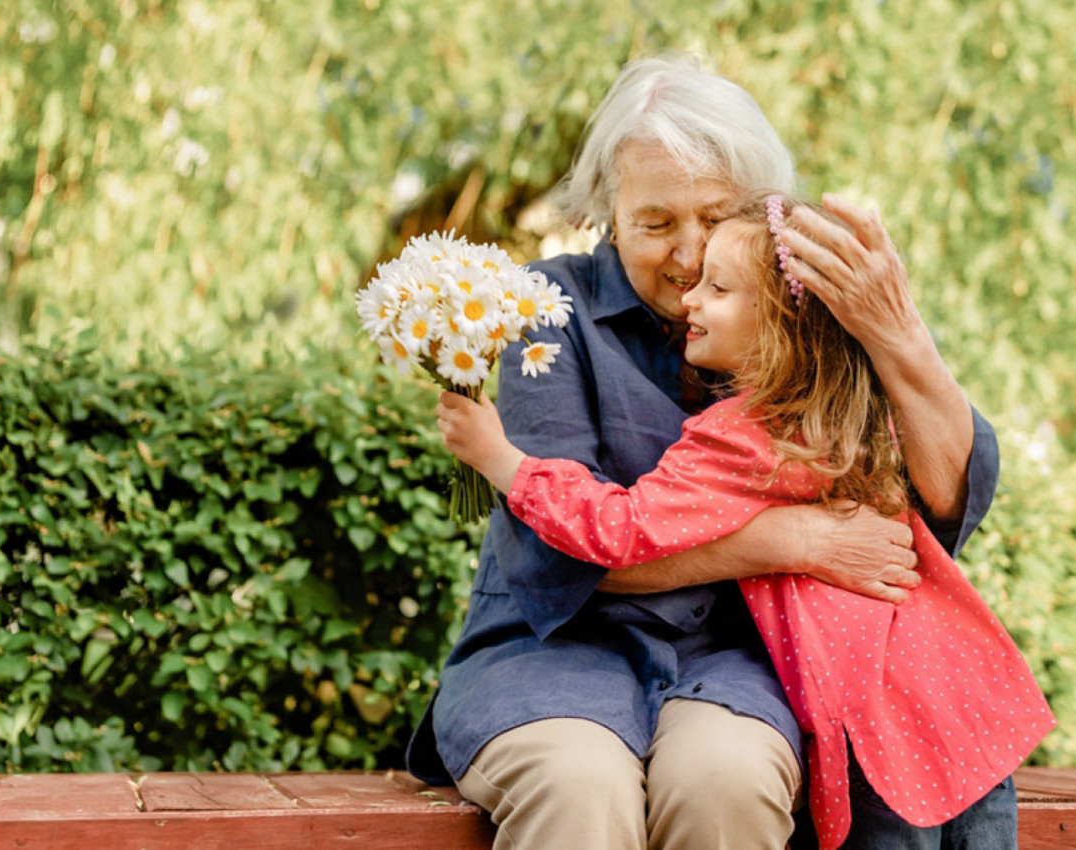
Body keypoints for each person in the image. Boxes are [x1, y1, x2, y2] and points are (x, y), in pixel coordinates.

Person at [405, 53, 1002, 850]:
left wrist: (898, 337)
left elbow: (938, 495)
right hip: (553, 653)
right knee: (578, 786)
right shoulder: (545, 310)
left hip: (737, 659)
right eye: (655, 224)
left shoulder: (795, 312)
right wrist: (786, 542)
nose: (688, 256)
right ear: (606, 213)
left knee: (728, 782)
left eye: (716, 219)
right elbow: (565, 545)